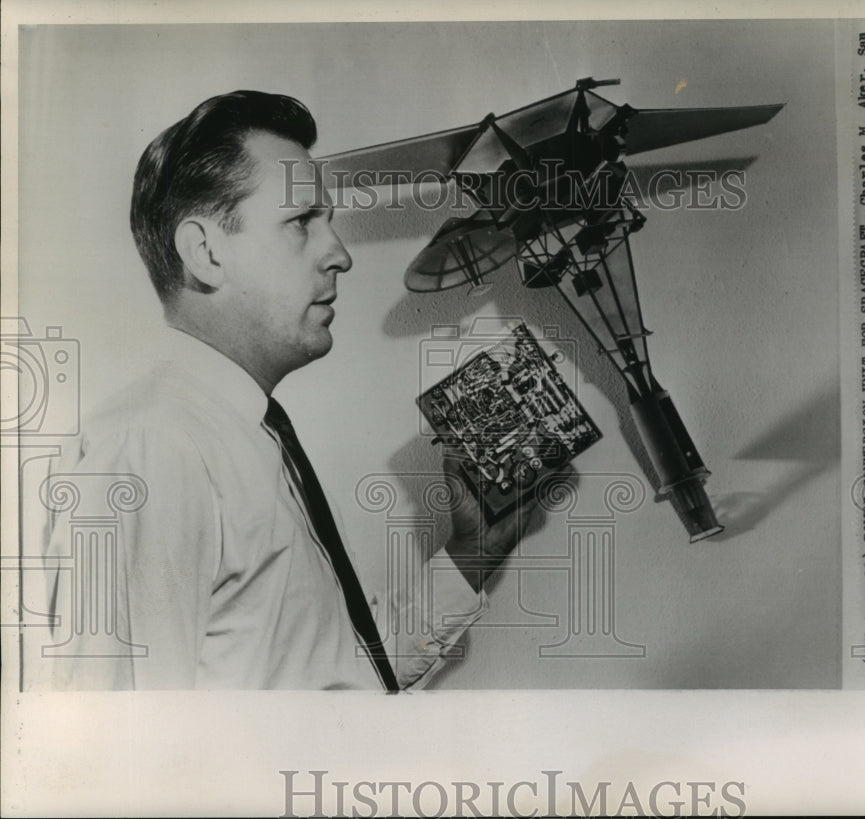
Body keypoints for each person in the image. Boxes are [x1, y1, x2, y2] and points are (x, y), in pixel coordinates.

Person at [28, 90, 534, 691]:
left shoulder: (237, 433)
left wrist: (472, 553)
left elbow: (333, 677)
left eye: (329, 223)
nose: (340, 255)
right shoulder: (152, 448)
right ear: (206, 253)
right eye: (301, 222)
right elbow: (113, 756)